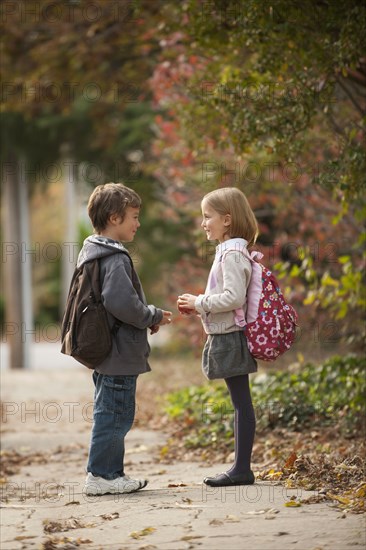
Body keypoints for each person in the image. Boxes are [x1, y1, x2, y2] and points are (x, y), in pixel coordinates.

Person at [80, 183, 172, 496]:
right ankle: (103, 475)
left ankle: (110, 473)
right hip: (119, 351)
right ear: (114, 218)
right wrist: (152, 315)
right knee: (115, 415)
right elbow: (121, 304)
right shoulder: (114, 258)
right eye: (134, 216)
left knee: (111, 413)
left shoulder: (94, 251)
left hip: (108, 349)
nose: (138, 222)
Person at [177, 187, 258, 487]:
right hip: (225, 334)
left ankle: (241, 469)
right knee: (240, 402)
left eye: (207, 216)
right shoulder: (229, 252)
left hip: (231, 336)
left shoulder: (234, 255)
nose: (203, 223)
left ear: (227, 220)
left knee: (241, 403)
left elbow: (234, 298)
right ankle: (241, 467)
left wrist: (199, 302)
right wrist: (198, 305)